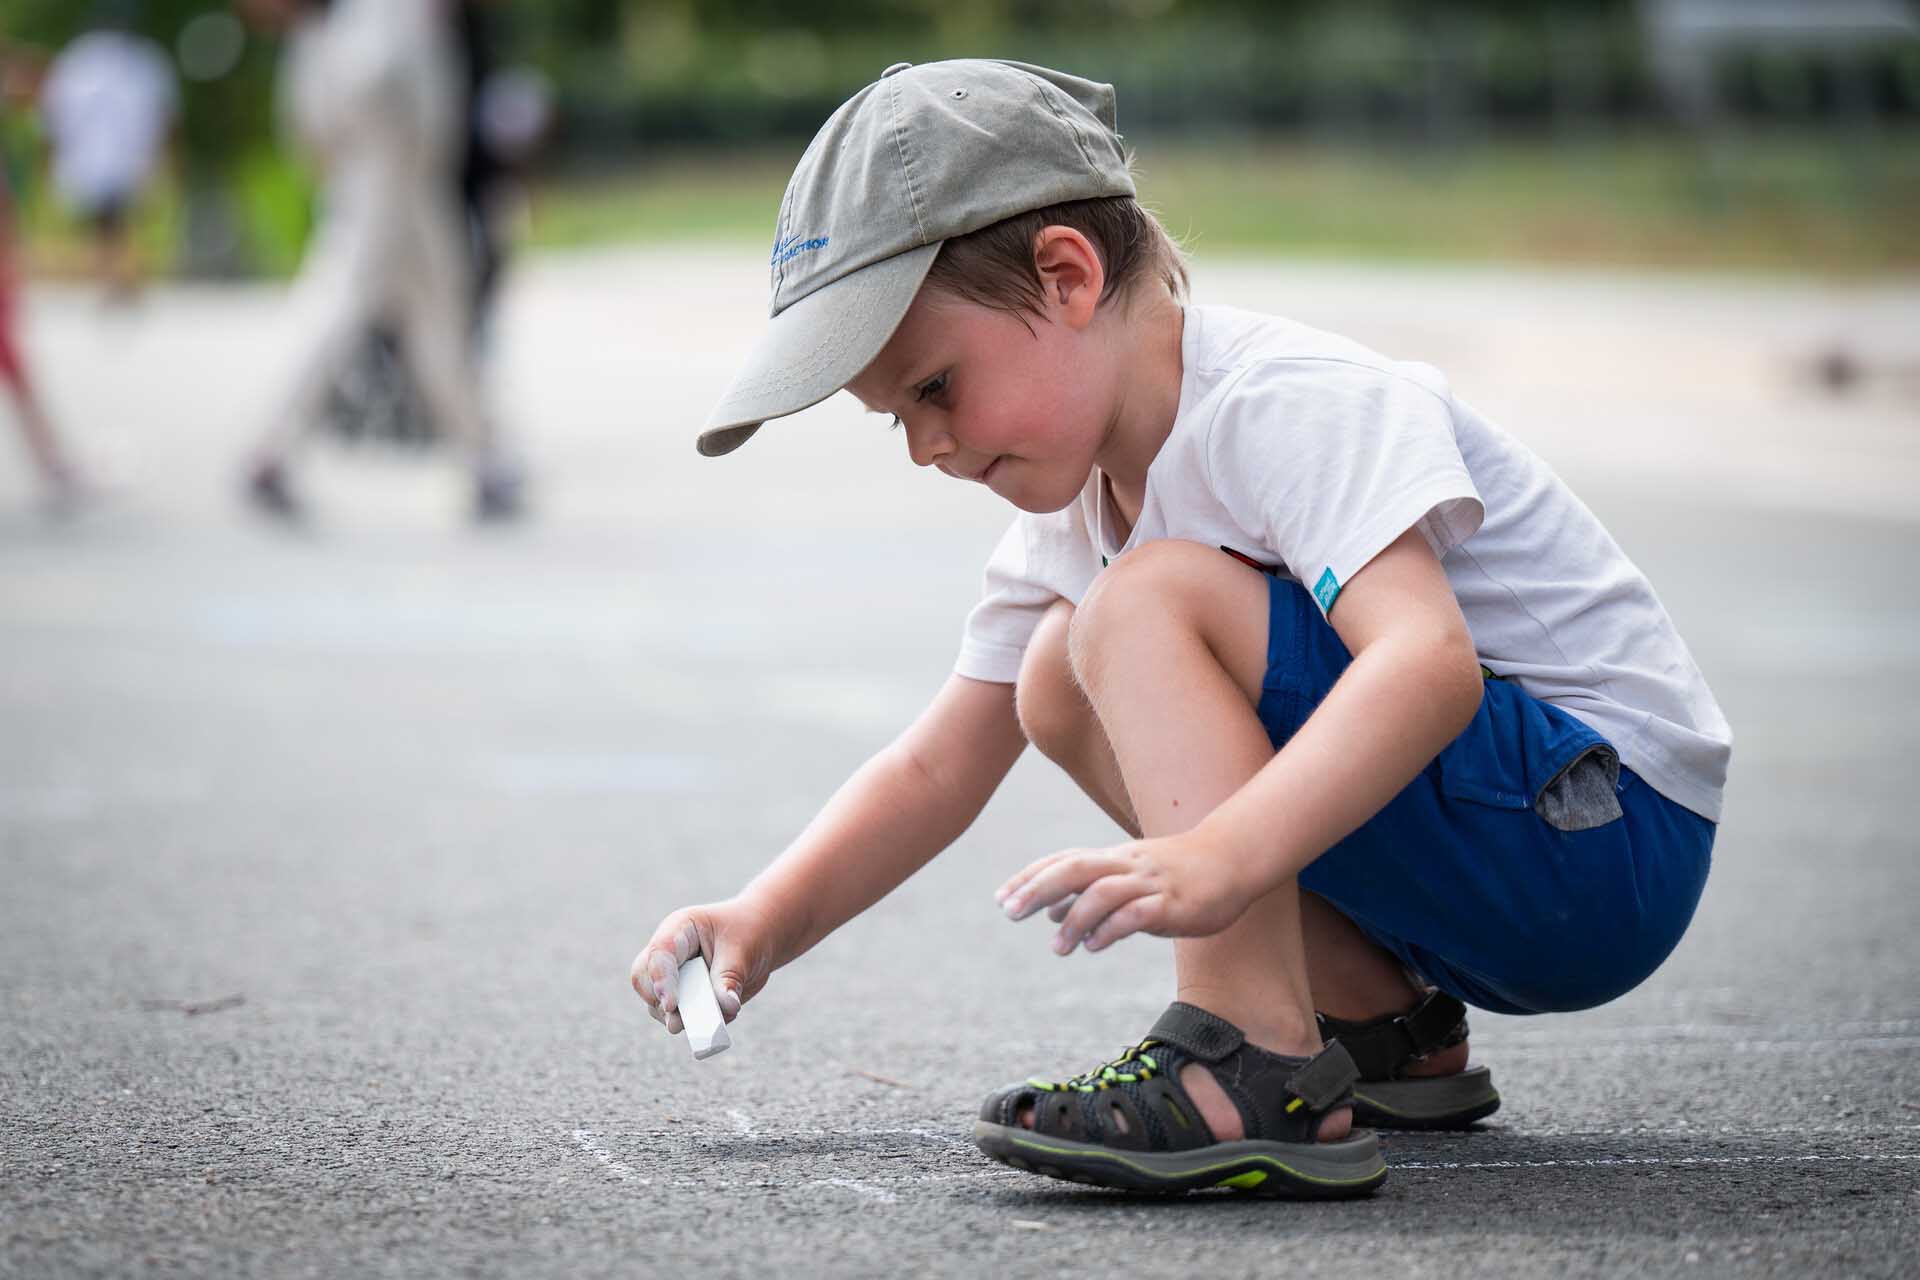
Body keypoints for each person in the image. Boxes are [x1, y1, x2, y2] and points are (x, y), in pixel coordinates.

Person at [631, 61, 1730, 1199]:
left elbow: (1429, 663)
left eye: (937, 388)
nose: (926, 445)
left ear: (1066, 275)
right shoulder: (1072, 505)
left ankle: (1250, 1055)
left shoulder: (1283, 402)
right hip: (1506, 847)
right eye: (896, 417)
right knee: (1052, 675)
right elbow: (936, 762)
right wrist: (763, 915)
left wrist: (1225, 854)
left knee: (1141, 603)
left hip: (1606, 826)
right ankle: (1377, 1022)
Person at [238, 0, 523, 522]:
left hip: (405, 185)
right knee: (343, 307)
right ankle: (269, 453)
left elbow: (322, 125)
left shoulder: (340, 27)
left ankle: (486, 462)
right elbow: (373, 93)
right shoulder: (347, 26)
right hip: (386, 182)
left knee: (440, 326)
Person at [38, 1, 176, 303]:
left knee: (108, 223)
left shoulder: (77, 60)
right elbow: (162, 115)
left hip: (95, 157)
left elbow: (54, 115)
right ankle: (119, 279)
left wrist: (52, 159)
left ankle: (115, 279)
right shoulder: (143, 59)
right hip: (128, 157)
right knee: (119, 222)